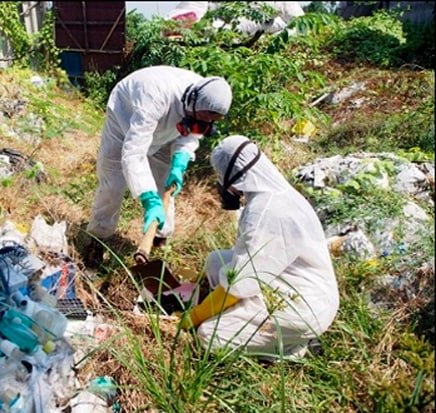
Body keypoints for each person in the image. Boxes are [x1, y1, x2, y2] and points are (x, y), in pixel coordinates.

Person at [179, 135, 339, 359]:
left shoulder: (266, 212)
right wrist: (192, 284)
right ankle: (251, 323)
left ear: (233, 177)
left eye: (221, 176)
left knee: (209, 335)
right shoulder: (273, 195)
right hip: (292, 282)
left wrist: (193, 318)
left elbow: (238, 284)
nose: (220, 184)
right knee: (216, 261)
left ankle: (292, 347)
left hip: (304, 307)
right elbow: (246, 265)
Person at [84, 66, 232, 264]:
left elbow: (192, 133)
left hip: (167, 133)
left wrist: (180, 161)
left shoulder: (205, 102)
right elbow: (134, 153)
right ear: (192, 101)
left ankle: (158, 239)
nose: (206, 122)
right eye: (203, 117)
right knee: (114, 182)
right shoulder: (154, 95)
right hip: (125, 119)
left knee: (165, 185)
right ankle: (98, 238)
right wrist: (148, 198)